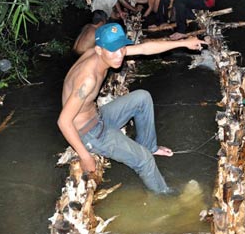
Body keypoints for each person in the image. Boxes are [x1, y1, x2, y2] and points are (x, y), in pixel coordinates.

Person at [58, 23, 205, 194]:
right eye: (113, 50)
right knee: (144, 160)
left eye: (121, 48)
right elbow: (63, 121)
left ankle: (149, 145)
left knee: (142, 97)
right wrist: (85, 156)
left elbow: (144, 48)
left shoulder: (101, 52)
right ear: (99, 50)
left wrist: (183, 43)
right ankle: (166, 196)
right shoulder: (88, 78)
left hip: (99, 116)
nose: (120, 55)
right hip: (89, 133)